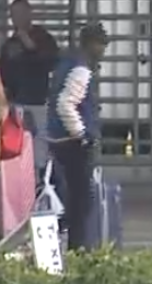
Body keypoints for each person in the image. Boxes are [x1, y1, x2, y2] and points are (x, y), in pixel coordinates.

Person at [45, 23, 108, 252]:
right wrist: (82, 134)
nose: (103, 49)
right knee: (82, 201)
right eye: (100, 43)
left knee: (71, 199)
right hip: (73, 144)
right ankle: (78, 249)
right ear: (90, 44)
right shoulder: (80, 69)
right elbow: (65, 104)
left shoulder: (65, 64)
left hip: (59, 141)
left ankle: (72, 245)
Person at [0, 0, 59, 174]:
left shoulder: (44, 38)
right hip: (16, 102)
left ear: (29, 14)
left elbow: (50, 62)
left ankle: (41, 178)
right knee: (17, 142)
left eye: (20, 13)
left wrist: (30, 44)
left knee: (41, 141)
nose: (16, 18)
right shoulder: (10, 44)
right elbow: (4, 70)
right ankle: (20, 177)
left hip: (38, 99)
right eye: (13, 14)